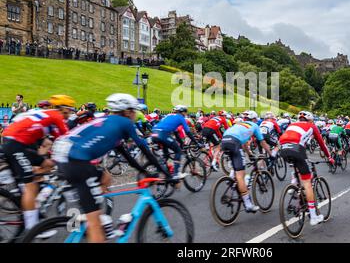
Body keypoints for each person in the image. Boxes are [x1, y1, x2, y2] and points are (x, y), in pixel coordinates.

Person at [53, 93, 173, 243]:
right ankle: (93, 220)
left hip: (61, 155)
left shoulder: (105, 119)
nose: (136, 114)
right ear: (127, 112)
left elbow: (127, 156)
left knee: (105, 178)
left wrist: (144, 171)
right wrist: (167, 174)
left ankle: (82, 220)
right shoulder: (125, 123)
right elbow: (146, 150)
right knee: (94, 222)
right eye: (134, 110)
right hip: (76, 161)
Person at [1, 95, 74, 233]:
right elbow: (68, 139)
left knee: (48, 164)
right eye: (69, 111)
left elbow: (56, 141)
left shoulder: (49, 115)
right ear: (63, 109)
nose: (69, 115)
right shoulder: (56, 116)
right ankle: (34, 229)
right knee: (31, 187)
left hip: (17, 142)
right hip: (15, 144)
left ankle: (29, 194)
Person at [279, 111, 334, 226]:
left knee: (296, 164)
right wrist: (329, 157)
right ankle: (314, 216)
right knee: (307, 182)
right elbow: (322, 145)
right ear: (310, 120)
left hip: (283, 148)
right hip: (297, 149)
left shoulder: (292, 125)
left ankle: (294, 183)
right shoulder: (312, 126)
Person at [221, 110, 273, 213]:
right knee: (241, 175)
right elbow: (262, 142)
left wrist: (249, 154)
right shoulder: (254, 126)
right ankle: (248, 204)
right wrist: (271, 154)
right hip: (234, 142)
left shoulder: (240, 124)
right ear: (254, 119)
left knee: (236, 163)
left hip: (225, 140)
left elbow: (244, 144)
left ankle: (231, 179)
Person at [151, 105, 203, 179]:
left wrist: (182, 143)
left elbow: (175, 133)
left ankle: (159, 171)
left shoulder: (169, 116)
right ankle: (176, 174)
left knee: (166, 155)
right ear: (182, 112)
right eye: (185, 112)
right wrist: (197, 143)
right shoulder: (181, 118)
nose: (185, 114)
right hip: (163, 134)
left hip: (154, 133)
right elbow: (188, 132)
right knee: (178, 151)